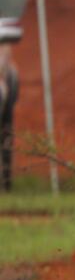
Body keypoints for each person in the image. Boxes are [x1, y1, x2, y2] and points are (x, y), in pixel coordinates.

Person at [0, 18, 22, 192]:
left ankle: (6, 181)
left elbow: (5, 62)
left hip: (4, 84)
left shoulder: (4, 31)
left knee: (6, 131)